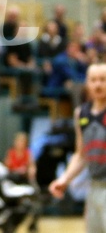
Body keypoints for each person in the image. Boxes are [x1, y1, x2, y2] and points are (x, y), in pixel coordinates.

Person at [49, 63, 106, 232]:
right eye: (93, 80)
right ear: (87, 83)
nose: (98, 84)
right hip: (94, 187)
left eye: (103, 80)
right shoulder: (81, 114)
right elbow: (81, 155)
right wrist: (64, 179)